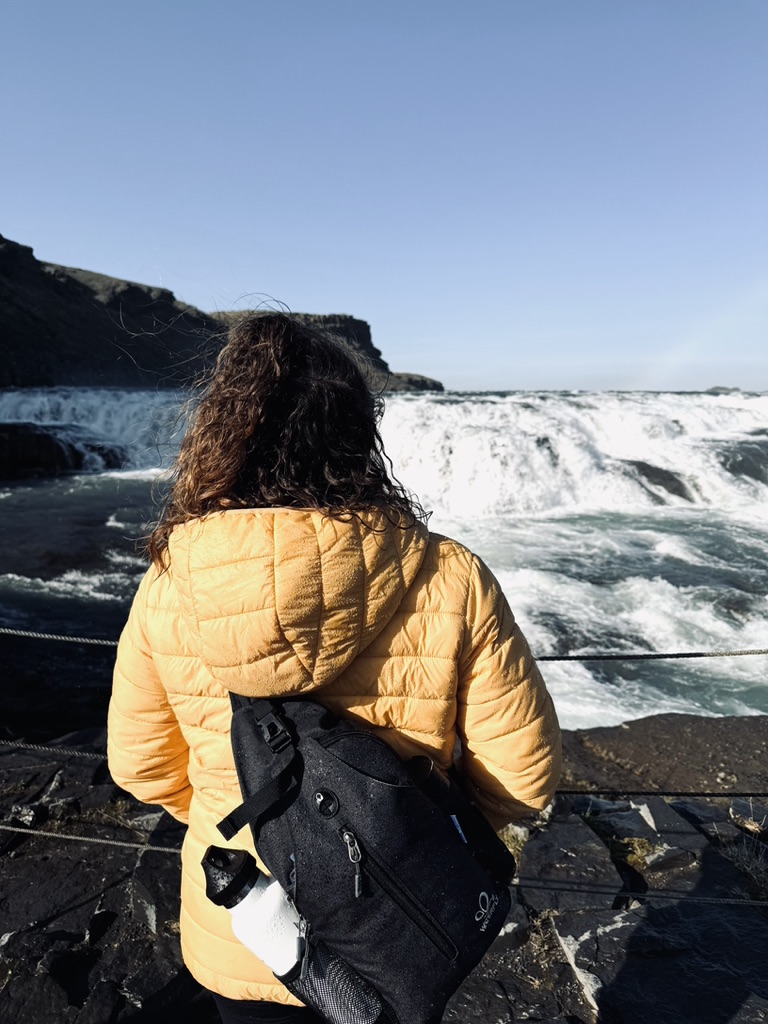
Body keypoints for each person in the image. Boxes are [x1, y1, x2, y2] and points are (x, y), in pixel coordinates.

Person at [107, 312, 561, 1024]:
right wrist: (428, 836)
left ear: (223, 436)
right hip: (402, 925)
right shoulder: (449, 573)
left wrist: (235, 825)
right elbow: (524, 775)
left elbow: (139, 765)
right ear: (358, 435)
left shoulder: (168, 584)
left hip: (246, 928)